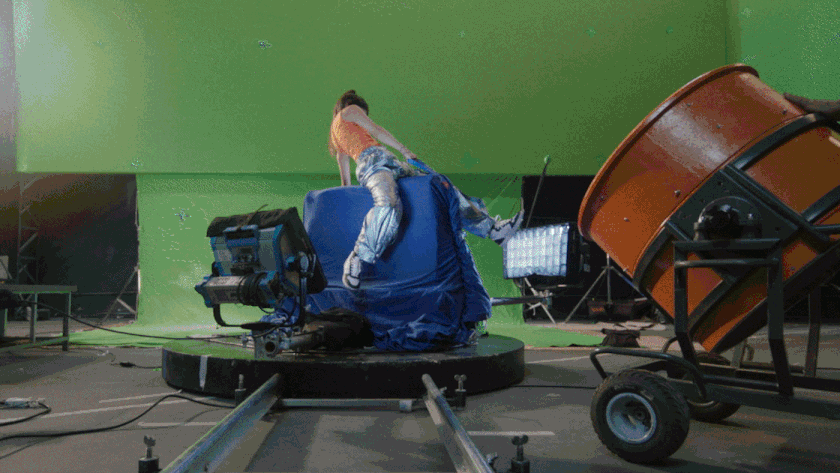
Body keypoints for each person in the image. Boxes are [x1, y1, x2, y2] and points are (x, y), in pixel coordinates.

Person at [328, 90, 524, 289]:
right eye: (363, 114)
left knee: (442, 187)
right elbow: (376, 130)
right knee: (388, 206)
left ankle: (493, 229)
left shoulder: (336, 138)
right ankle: (358, 258)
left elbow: (345, 182)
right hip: (373, 165)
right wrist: (404, 150)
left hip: (390, 162)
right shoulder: (348, 111)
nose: (363, 119)